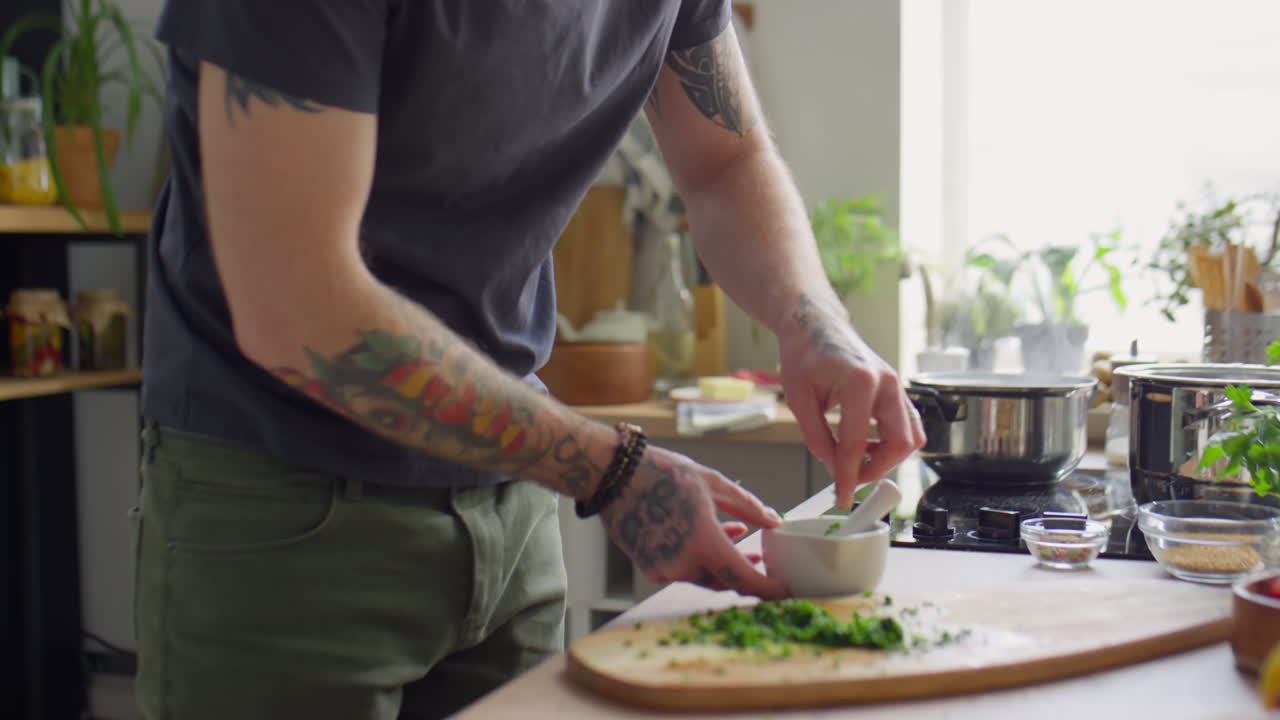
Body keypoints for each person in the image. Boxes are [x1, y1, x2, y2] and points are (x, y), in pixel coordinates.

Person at [134, 2, 927, 718]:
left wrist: (814, 321)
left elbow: (728, 161)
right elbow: (296, 307)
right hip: (282, 515)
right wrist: (607, 469)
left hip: (511, 506)